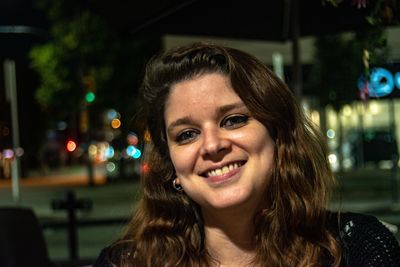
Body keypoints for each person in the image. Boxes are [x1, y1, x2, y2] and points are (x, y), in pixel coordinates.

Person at [94, 43, 400, 267]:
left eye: (233, 120)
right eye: (187, 134)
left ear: (277, 134)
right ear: (171, 165)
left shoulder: (356, 248)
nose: (213, 145)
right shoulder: (125, 263)